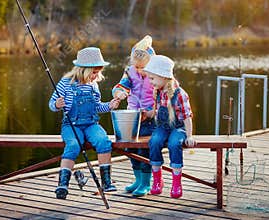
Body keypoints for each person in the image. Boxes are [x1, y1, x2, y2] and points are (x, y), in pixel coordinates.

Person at [49, 47, 120, 199]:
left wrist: (109, 105)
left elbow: (97, 106)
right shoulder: (65, 83)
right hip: (71, 125)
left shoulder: (93, 85)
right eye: (94, 72)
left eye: (98, 72)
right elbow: (51, 104)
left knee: (103, 141)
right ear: (83, 69)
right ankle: (62, 185)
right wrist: (57, 104)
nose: (96, 76)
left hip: (91, 124)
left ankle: (106, 182)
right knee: (74, 145)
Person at [143, 55, 196, 199]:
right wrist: (145, 113)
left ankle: (177, 183)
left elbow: (187, 116)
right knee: (154, 141)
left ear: (164, 76)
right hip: (163, 127)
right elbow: (156, 112)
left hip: (179, 127)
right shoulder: (158, 92)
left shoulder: (180, 94)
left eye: (152, 78)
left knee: (174, 143)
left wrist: (189, 136)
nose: (150, 81)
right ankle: (157, 180)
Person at [112, 35, 156, 197]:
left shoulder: (155, 74)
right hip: (132, 116)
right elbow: (120, 86)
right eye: (137, 68)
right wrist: (120, 92)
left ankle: (146, 183)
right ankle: (138, 180)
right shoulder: (129, 72)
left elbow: (161, 96)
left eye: (143, 68)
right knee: (130, 148)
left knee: (144, 150)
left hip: (150, 118)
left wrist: (152, 110)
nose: (139, 71)